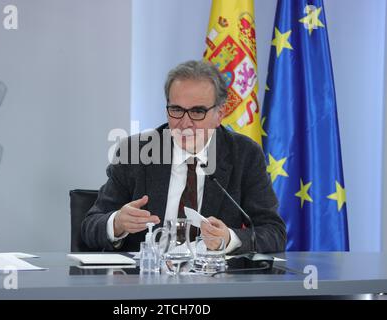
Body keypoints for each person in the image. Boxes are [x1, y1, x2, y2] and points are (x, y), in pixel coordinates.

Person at [82, 60, 286, 254]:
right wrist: (116, 223)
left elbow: (274, 232)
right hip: (145, 281)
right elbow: (90, 227)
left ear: (219, 115)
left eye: (198, 111)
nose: (185, 123)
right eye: (177, 110)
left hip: (213, 284)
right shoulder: (136, 151)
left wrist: (229, 238)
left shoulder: (244, 154)